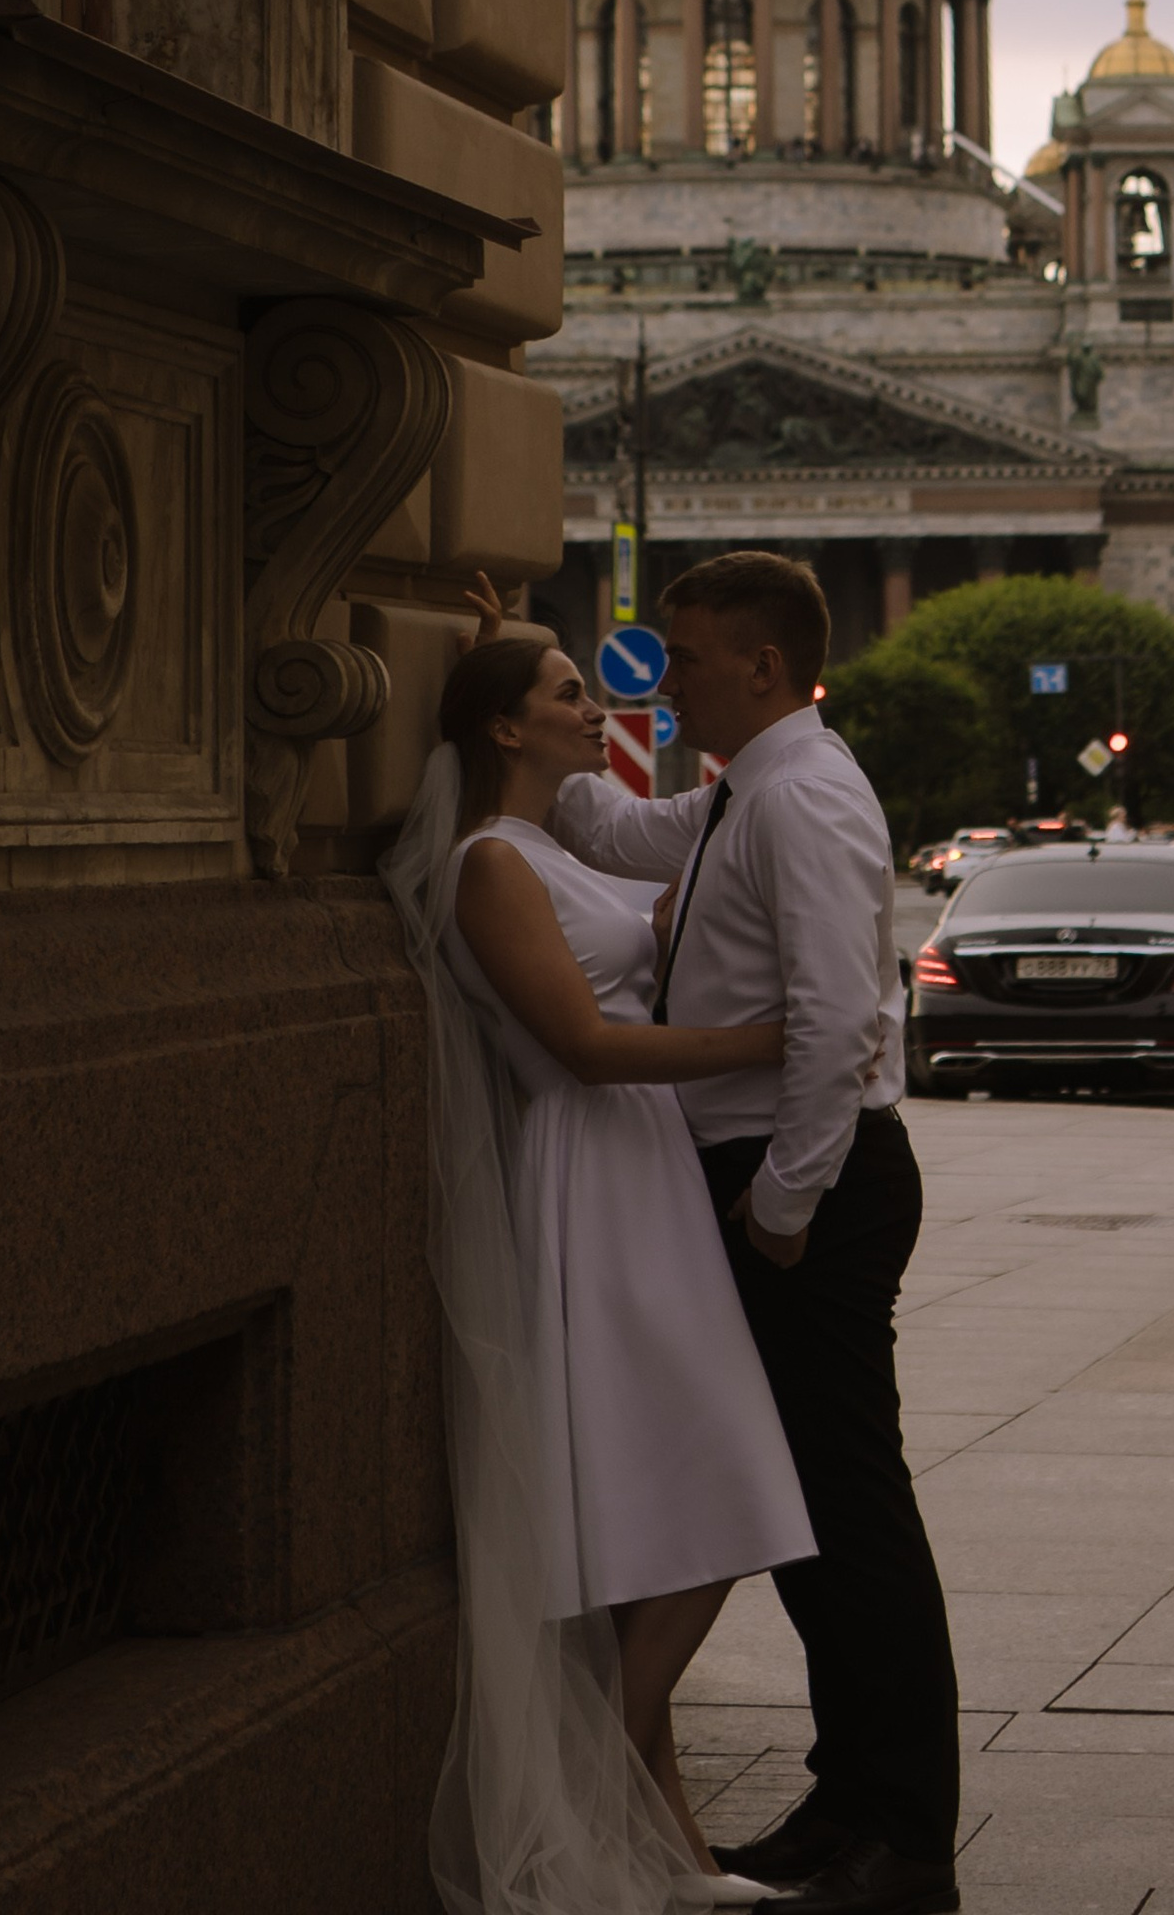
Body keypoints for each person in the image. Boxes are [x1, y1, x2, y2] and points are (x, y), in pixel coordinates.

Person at [550, 552, 963, 1915]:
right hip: (772, 1182)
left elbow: (842, 1018)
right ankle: (849, 1801)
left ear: (765, 667)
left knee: (850, 1513)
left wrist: (784, 1208)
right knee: (803, 1519)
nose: (663, 685)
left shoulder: (808, 792)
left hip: (815, 1192)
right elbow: (613, 837)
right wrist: (533, 726)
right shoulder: (742, 789)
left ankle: (903, 1836)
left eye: (686, 659)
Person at [384, 626, 816, 1913]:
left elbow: (671, 856)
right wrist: (777, 1043)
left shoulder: (554, 847)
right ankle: (587, 1783)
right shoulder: (487, 867)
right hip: (595, 1177)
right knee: (723, 1490)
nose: (597, 704)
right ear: (506, 730)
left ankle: (670, 1856)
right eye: (568, 691)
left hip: (646, 1175)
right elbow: (582, 1048)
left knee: (659, 1511)